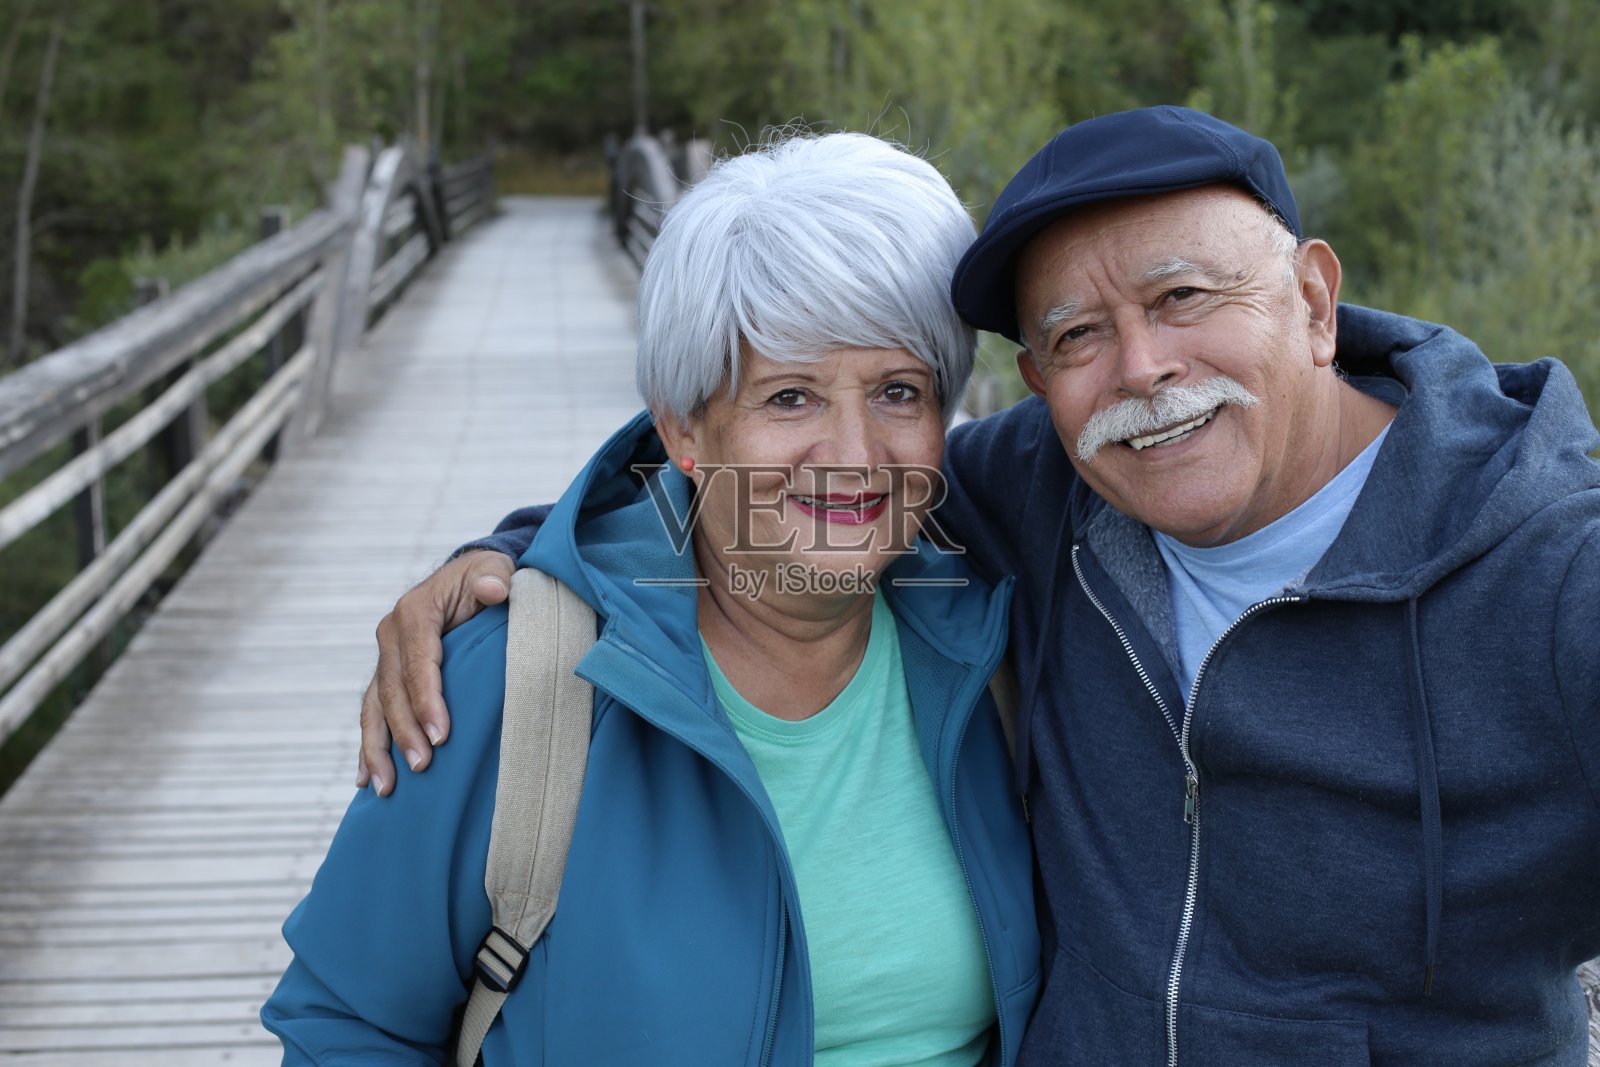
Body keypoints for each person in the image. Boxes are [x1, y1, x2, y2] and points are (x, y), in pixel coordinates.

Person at [362, 107, 1600, 1065]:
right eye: (1073, 336)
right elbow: (799, 482)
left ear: (1316, 303)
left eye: (1183, 297)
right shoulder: (1059, 482)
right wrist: (535, 551)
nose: (1143, 369)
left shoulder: (1551, 570)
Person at [262, 132, 1039, 1065]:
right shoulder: (509, 683)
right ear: (683, 428)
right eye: (790, 397)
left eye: (899, 391)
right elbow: (345, 1027)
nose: (854, 452)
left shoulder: (998, 638)